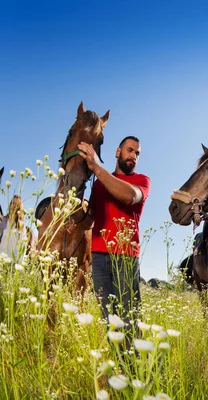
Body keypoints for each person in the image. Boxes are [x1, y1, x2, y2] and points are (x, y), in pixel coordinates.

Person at [78, 136, 150, 329]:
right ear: (118, 152)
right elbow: (89, 219)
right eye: (130, 150)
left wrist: (96, 168)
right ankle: (118, 359)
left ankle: (135, 359)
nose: (133, 156)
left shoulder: (142, 180)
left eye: (137, 153)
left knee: (129, 321)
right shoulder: (99, 184)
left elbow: (129, 197)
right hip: (99, 257)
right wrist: (72, 214)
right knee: (109, 320)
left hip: (125, 257)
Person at [0, 195, 34, 263]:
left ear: (19, 207)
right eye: (13, 203)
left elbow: (23, 244)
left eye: (17, 204)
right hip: (2, 258)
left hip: (14, 259)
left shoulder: (21, 224)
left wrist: (19, 261)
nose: (14, 206)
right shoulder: (5, 220)